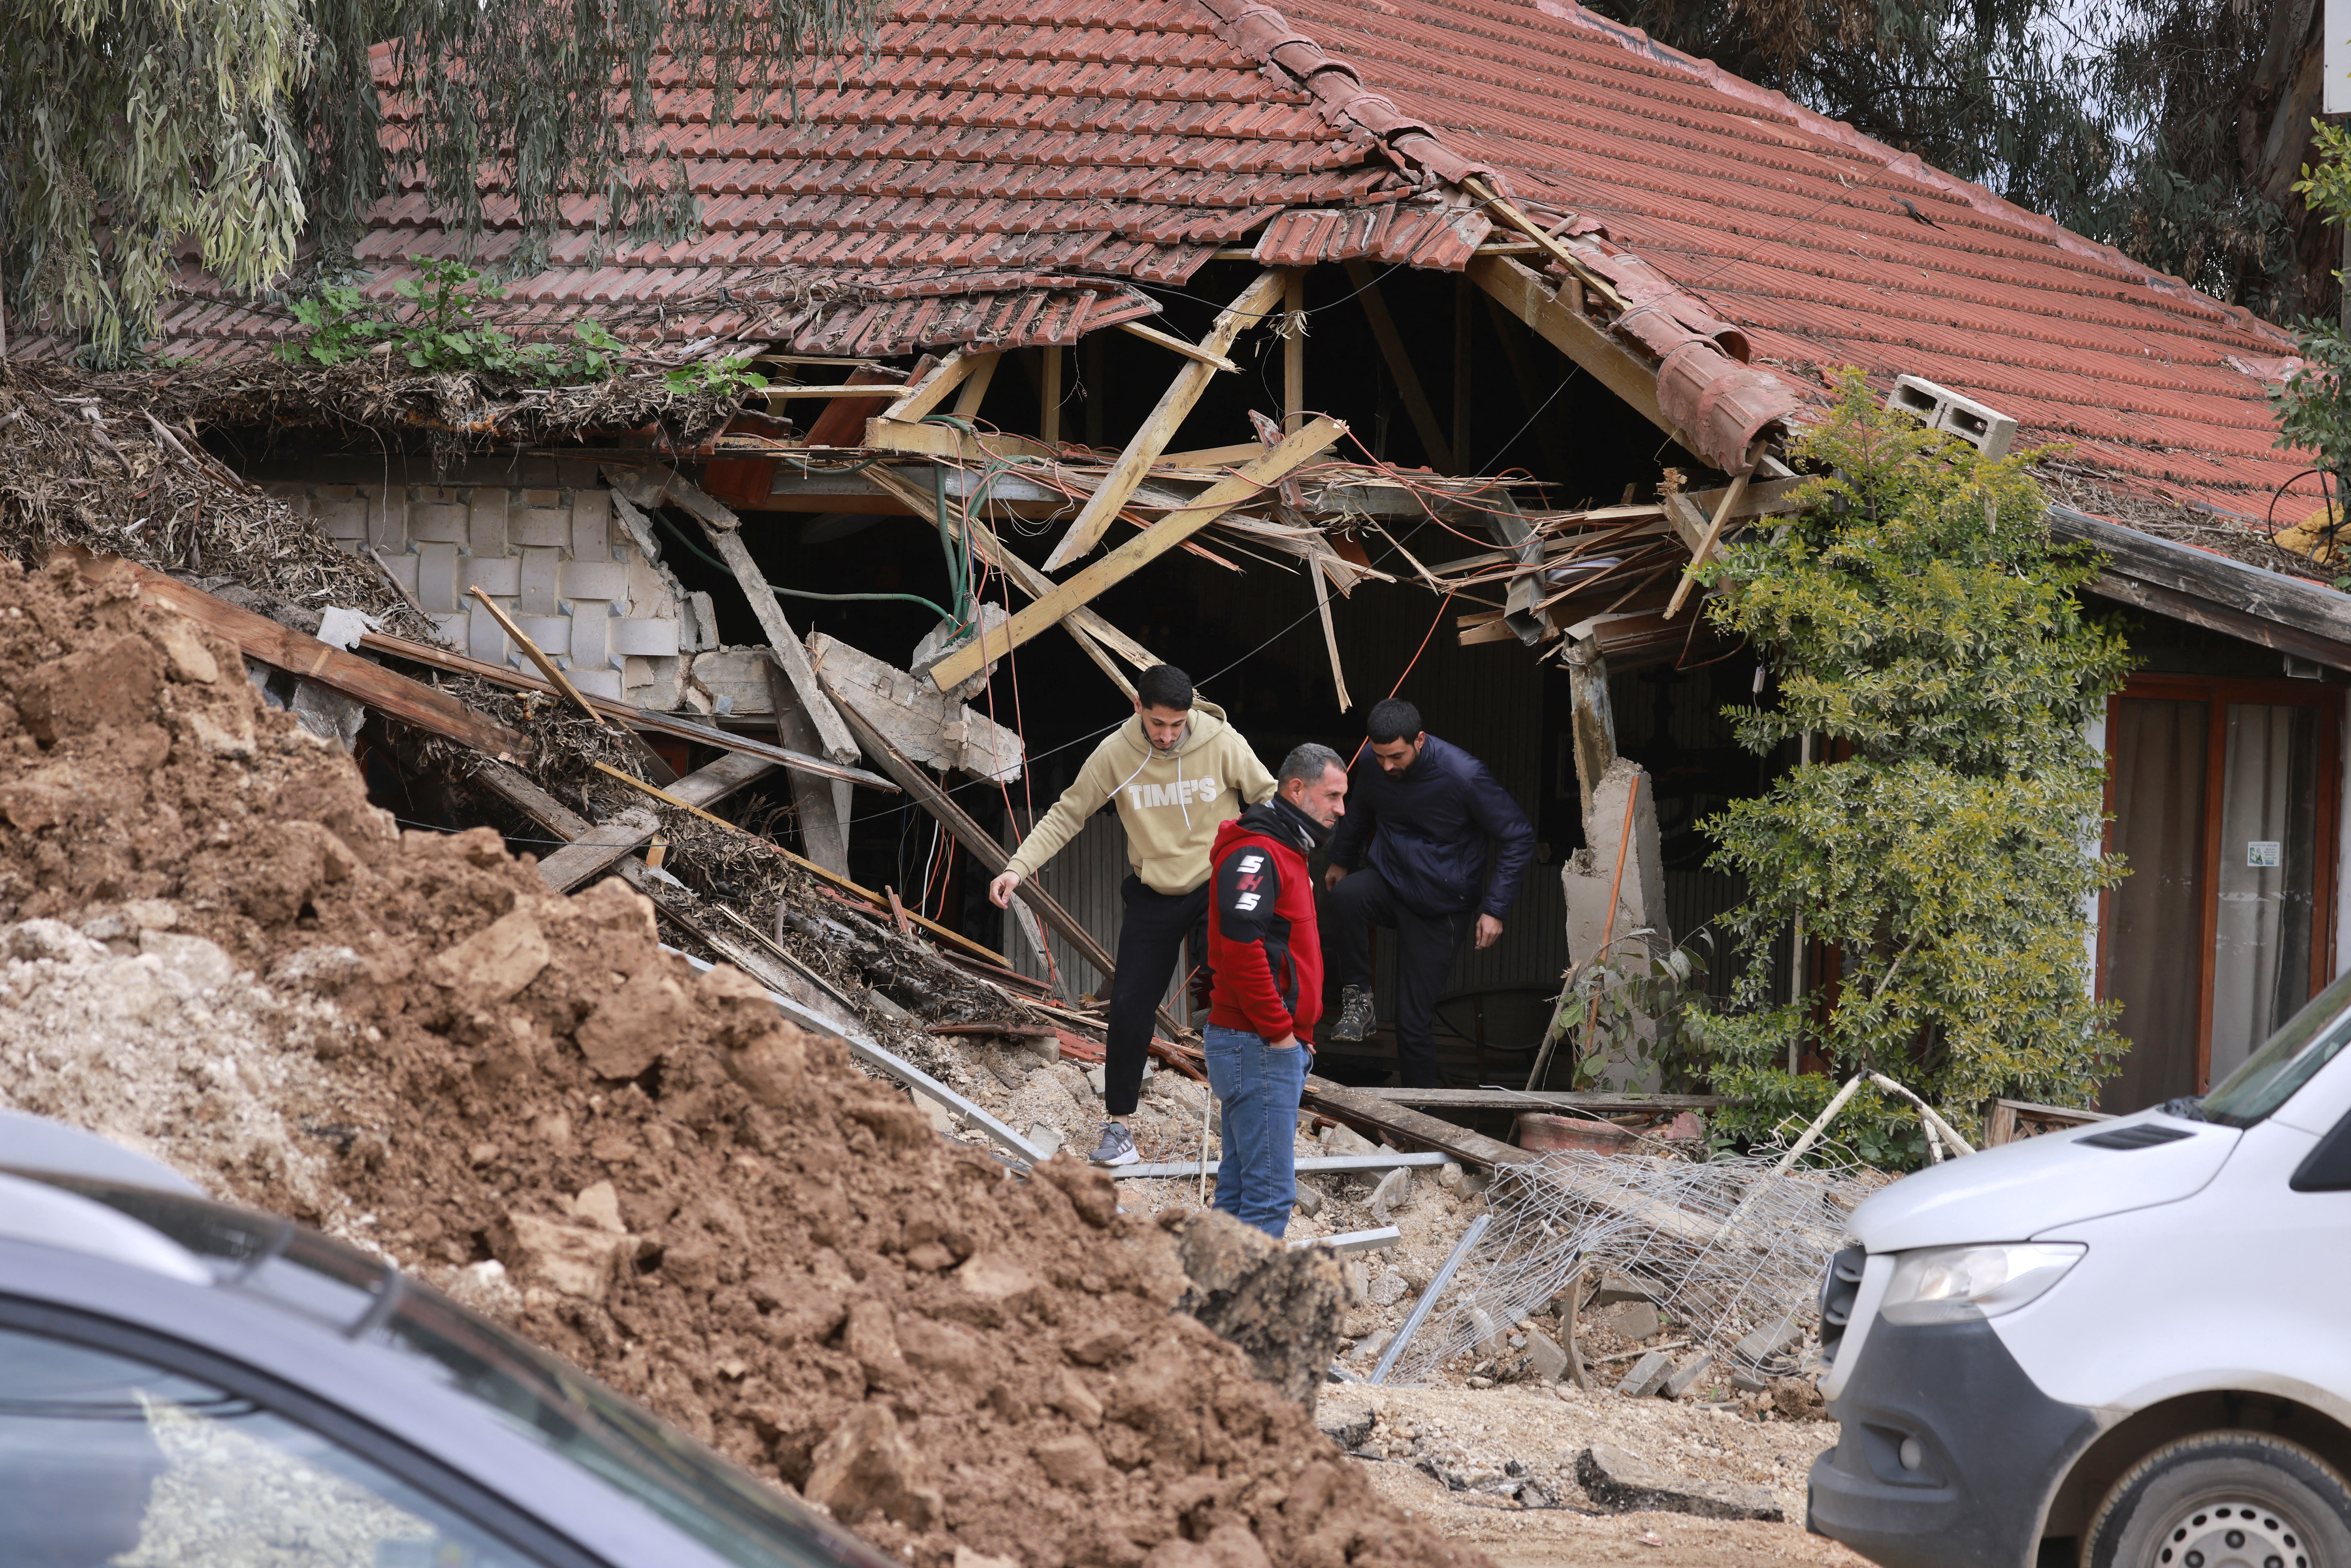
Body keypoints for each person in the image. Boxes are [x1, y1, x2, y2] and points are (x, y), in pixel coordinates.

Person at [990, 664, 1276, 1166]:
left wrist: (1270, 861)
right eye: (1157, 723)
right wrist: (1018, 868)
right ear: (1138, 709)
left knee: (1236, 995)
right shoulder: (1116, 754)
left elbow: (1269, 797)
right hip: (1155, 891)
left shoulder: (1221, 741)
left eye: (1177, 724)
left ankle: (1255, 1123)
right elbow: (1067, 813)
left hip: (1216, 882)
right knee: (1128, 1007)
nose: (1167, 735)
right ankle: (1120, 1130)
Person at [1323, 697, 1535, 1087]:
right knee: (1345, 895)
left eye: (1396, 756)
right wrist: (1340, 860)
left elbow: (1517, 835)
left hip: (1441, 902)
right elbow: (1360, 811)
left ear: (1420, 739)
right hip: (1390, 880)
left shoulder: (1464, 775)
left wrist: (1495, 908)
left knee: (1412, 1019)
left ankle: (1422, 1112)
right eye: (1380, 754)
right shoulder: (1372, 762)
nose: (1387, 765)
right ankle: (1359, 1001)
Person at [1203, 742, 1348, 1236]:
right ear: (1296, 789)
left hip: (1256, 1043)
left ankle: (1206, 1307)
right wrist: (1280, 1033)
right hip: (1257, 1043)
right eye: (1332, 796)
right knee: (1268, 1197)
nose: (1341, 809)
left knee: (1240, 1187)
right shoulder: (1256, 852)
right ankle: (1244, 1312)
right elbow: (1242, 951)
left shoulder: (1284, 850)